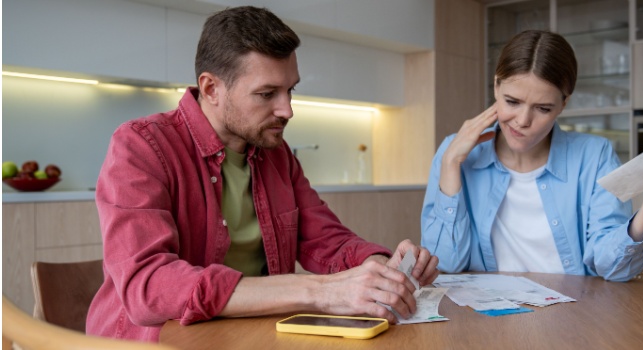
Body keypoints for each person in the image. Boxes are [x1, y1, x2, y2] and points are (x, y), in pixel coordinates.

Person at [87, 6, 438, 342]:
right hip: (156, 342)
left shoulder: (277, 154)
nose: (287, 110)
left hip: (249, 337)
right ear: (211, 89)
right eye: (267, 94)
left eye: (290, 90)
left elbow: (327, 240)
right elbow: (148, 286)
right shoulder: (141, 146)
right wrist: (318, 291)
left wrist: (382, 269)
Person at [421, 30, 643, 281]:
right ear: (496, 86)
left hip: (572, 319)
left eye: (542, 108)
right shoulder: (456, 152)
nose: (522, 120)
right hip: (487, 321)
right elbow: (446, 265)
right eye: (512, 102)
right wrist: (450, 163)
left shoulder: (594, 156)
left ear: (563, 103)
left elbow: (612, 269)